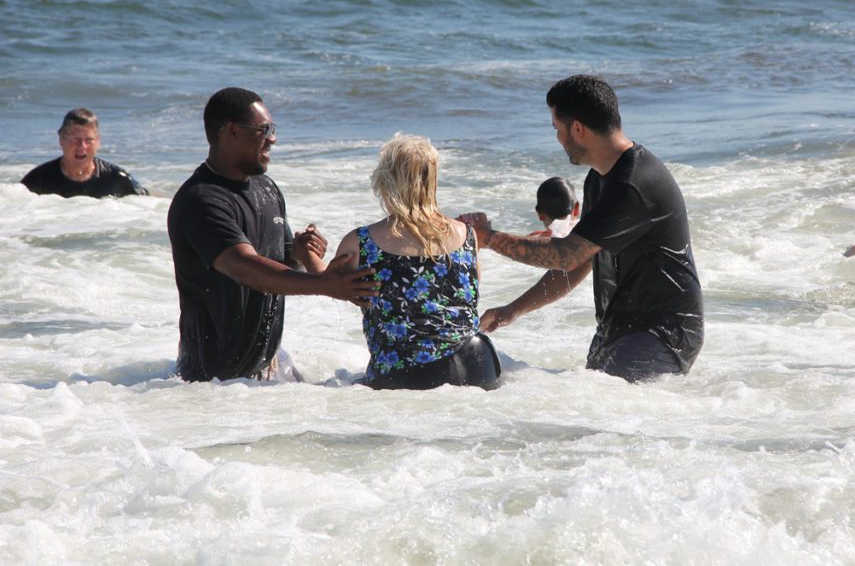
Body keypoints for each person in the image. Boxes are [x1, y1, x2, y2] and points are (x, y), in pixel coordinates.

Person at [460, 75, 703, 382]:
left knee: (601, 414)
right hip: (621, 329)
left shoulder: (632, 183)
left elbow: (566, 255)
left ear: (577, 129)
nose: (558, 139)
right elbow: (580, 261)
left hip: (662, 333)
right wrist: (515, 309)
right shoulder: (600, 178)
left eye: (557, 129)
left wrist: (490, 238)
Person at [167, 87, 379, 382]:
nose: (273, 138)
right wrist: (325, 284)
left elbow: (284, 265)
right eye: (264, 129)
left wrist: (301, 253)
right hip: (212, 383)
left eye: (273, 129)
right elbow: (246, 268)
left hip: (267, 367)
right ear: (231, 132)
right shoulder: (201, 200)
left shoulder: (266, 189)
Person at [331, 133, 501, 390]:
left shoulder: (360, 242)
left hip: (408, 373)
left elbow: (330, 286)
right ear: (433, 181)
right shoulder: (468, 235)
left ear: (386, 181)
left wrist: (305, 255)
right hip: (479, 364)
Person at [20, 108, 148, 198]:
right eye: (75, 140)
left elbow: (147, 207)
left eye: (89, 140)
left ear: (98, 142)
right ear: (61, 140)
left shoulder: (117, 179)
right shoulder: (39, 180)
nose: (82, 146)